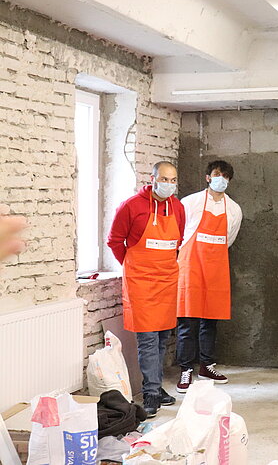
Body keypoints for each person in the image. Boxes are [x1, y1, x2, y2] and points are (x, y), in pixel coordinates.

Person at [107, 161, 185, 418]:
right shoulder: (131, 206)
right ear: (152, 179)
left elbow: (177, 243)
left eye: (173, 180)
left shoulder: (178, 208)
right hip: (141, 281)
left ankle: (156, 385)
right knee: (148, 338)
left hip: (166, 280)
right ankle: (150, 392)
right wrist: (132, 265)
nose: (169, 184)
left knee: (162, 337)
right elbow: (115, 241)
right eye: (164, 179)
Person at [176, 160, 242, 392]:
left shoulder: (233, 210)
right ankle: (185, 369)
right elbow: (179, 233)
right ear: (207, 177)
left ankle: (206, 365)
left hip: (216, 269)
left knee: (210, 321)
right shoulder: (189, 203)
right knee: (187, 321)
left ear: (229, 180)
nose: (220, 179)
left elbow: (228, 240)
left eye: (225, 176)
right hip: (190, 266)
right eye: (216, 174)